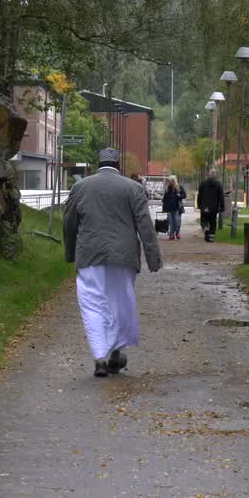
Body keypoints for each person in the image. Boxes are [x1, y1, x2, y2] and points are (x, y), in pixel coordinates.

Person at [63, 148, 163, 377]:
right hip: (124, 256)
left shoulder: (81, 187)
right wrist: (153, 257)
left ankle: (99, 358)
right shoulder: (133, 188)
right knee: (119, 304)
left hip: (89, 255)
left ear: (99, 163)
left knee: (92, 305)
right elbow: (144, 225)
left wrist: (70, 253)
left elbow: (69, 223)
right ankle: (116, 352)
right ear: (118, 164)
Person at [197, 169, 225, 243]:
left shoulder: (203, 183)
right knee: (213, 221)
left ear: (208, 175)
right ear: (215, 175)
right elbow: (221, 197)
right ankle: (211, 236)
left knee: (204, 220)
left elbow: (199, 195)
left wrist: (199, 205)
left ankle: (206, 231)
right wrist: (222, 207)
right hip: (214, 207)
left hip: (204, 206)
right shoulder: (218, 184)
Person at [161, 176, 187, 240]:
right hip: (169, 208)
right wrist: (163, 207)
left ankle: (177, 233)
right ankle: (171, 234)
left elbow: (184, 195)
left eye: (171, 180)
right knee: (171, 222)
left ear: (174, 181)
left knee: (177, 221)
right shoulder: (167, 188)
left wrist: (179, 195)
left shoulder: (179, 187)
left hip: (177, 208)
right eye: (169, 180)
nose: (170, 182)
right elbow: (164, 199)